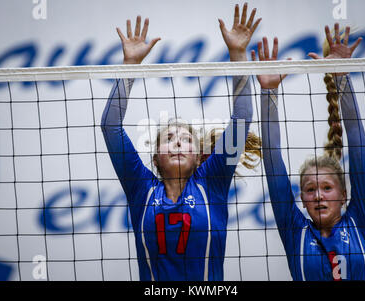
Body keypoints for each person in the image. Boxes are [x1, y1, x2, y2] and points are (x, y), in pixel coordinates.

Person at [101, 3, 261, 281]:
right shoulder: (141, 188)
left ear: (200, 156)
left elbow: (242, 117)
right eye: (169, 139)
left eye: (186, 139)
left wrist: (238, 54)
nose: (177, 143)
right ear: (155, 159)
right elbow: (110, 126)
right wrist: (130, 66)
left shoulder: (212, 180)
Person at [253, 23, 365, 280]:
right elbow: (272, 156)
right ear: (302, 198)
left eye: (327, 188)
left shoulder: (360, 219)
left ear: (344, 195)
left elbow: (357, 140)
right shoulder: (295, 230)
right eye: (310, 190)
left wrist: (342, 77)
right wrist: (269, 92)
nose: (319, 196)